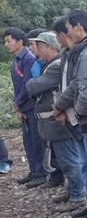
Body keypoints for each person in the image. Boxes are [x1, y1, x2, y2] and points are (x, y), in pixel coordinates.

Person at [53, 9, 87, 218]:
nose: (66, 35)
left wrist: (76, 114)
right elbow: (76, 84)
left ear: (78, 28)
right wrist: (60, 105)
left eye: (67, 30)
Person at [25, 30, 87, 206]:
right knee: (64, 160)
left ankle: (77, 196)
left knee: (69, 160)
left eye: (39, 45)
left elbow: (33, 88)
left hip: (58, 122)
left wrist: (31, 82)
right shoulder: (49, 65)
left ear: (51, 47)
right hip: (51, 123)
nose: (35, 49)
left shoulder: (55, 66)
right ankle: (73, 191)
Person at [3, 27, 47, 186]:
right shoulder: (16, 59)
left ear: (20, 42)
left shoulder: (27, 58)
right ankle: (34, 170)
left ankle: (41, 172)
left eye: (9, 41)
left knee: (36, 140)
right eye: (5, 41)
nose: (6, 44)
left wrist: (17, 103)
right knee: (28, 140)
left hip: (30, 105)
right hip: (23, 106)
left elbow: (27, 84)